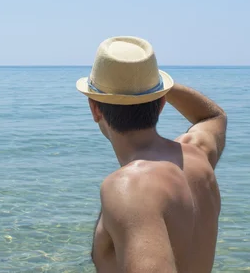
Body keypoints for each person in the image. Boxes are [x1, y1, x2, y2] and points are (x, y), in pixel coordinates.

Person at [76, 36, 227, 273]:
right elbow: (213, 117)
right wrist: (151, 82)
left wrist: (138, 84)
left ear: (95, 109)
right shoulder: (196, 157)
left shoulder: (129, 186)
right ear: (162, 103)